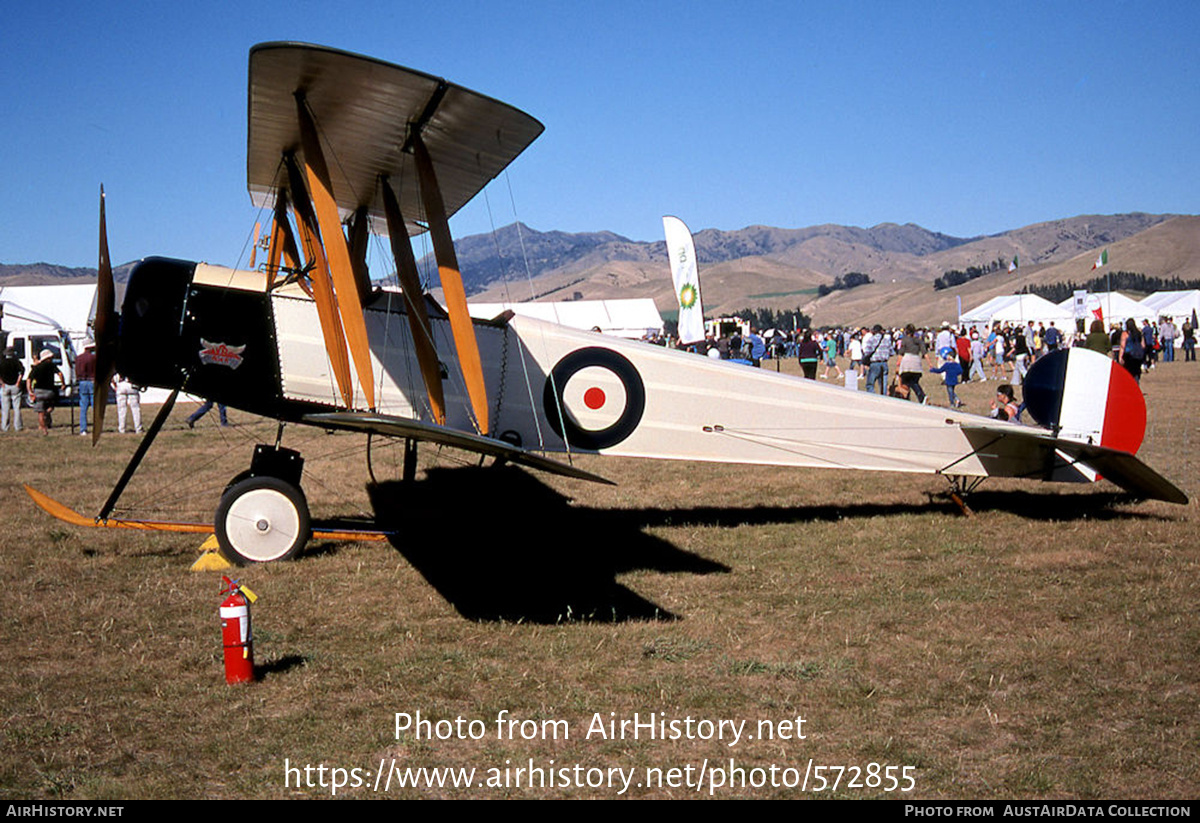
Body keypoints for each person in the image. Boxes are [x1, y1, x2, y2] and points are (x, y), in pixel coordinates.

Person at [27, 349, 63, 435]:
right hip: (50, 391)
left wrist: (30, 391)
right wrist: (63, 383)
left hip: (38, 391)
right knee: (51, 407)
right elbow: (60, 374)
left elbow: (29, 379)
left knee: (40, 412)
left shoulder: (36, 367)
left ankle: (43, 429)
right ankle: (47, 413)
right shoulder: (52, 365)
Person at [897, 324, 929, 403]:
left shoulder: (904, 340)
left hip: (907, 362)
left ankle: (919, 396)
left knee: (907, 382)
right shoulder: (919, 341)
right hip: (917, 362)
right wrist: (930, 363)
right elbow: (924, 353)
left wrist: (898, 364)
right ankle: (920, 398)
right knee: (914, 382)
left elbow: (901, 353)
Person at [862, 324, 894, 394]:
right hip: (884, 363)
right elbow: (892, 352)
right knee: (883, 385)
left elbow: (867, 352)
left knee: (870, 384)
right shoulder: (886, 340)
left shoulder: (871, 339)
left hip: (874, 363)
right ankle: (883, 399)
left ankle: (872, 397)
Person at [75, 339, 97, 437]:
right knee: (94, 406)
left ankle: (83, 429)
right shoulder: (94, 357)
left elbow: (76, 371)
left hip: (82, 381)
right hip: (92, 380)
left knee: (83, 406)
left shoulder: (78, 358)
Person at [1, 347, 25, 432]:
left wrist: (2, 383)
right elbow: (21, 372)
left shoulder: (2, 363)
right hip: (15, 385)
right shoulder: (17, 362)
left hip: (5, 386)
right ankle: (18, 427)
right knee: (17, 407)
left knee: (5, 408)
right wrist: (18, 382)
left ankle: (5, 427)